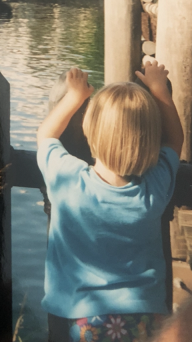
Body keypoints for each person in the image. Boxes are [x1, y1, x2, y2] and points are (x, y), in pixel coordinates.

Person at [36, 61, 184, 342]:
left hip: (83, 319)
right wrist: (159, 90)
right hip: (146, 316)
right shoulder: (153, 188)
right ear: (151, 142)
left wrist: (74, 97)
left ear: (89, 132)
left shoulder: (69, 181)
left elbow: (45, 136)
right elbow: (175, 141)